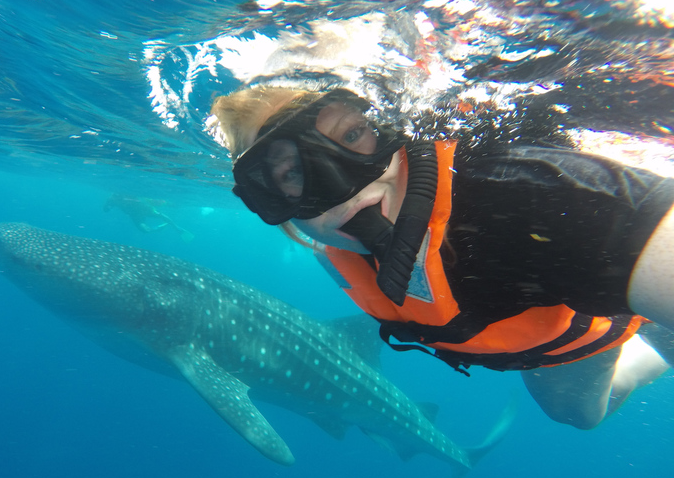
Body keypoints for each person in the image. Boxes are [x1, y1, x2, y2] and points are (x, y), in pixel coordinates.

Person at [210, 85, 674, 429]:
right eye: (291, 174)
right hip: (528, 351)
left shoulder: (537, 198)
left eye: (352, 133)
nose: (345, 188)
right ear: (272, 205)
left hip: (593, 323)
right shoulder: (331, 255)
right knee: (572, 416)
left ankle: (656, 344)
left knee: (587, 406)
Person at [104, 193, 194, 241]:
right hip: (138, 212)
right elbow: (106, 209)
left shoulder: (114, 198)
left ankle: (175, 228)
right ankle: (166, 228)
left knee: (156, 218)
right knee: (148, 227)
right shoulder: (113, 198)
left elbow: (106, 209)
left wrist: (110, 203)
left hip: (139, 210)